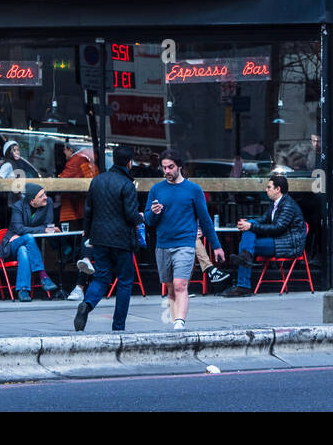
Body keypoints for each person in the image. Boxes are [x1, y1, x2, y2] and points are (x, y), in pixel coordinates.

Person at [145, 149, 225, 330]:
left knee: (180, 284)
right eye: (164, 168)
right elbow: (149, 220)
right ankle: (175, 322)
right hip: (163, 244)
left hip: (185, 244)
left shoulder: (193, 190)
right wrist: (154, 213)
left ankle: (180, 322)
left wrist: (216, 246)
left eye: (170, 167)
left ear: (179, 166)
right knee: (170, 287)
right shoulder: (156, 189)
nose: (167, 171)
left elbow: (205, 220)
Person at [75, 144, 144, 332]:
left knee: (101, 278)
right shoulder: (127, 184)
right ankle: (118, 326)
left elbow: (88, 210)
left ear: (113, 160)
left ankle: (87, 304)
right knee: (124, 282)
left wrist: (88, 234)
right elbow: (131, 215)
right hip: (122, 240)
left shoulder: (97, 180)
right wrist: (142, 217)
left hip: (99, 238)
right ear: (129, 163)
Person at [222, 174, 306, 297]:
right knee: (249, 231)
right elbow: (264, 219)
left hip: (288, 244)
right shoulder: (275, 203)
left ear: (278, 189)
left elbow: (278, 228)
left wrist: (251, 226)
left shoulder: (288, 205)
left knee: (245, 245)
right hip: (277, 240)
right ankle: (244, 269)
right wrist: (248, 222)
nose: (266, 190)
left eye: (269, 187)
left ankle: (243, 285)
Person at [4, 182, 61, 301]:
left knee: (24, 251)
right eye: (41, 196)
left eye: (44, 193)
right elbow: (19, 229)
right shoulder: (18, 207)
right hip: (11, 244)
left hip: (28, 246)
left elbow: (48, 225)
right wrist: (39, 230)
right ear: (32, 201)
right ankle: (43, 275)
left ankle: (23, 291)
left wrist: (27, 233)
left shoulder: (48, 202)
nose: (45, 197)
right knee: (28, 238)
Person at [58, 141, 98, 300]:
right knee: (85, 240)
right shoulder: (88, 162)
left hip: (77, 210)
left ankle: (79, 283)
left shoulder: (75, 161)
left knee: (81, 241)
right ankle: (80, 281)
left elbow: (63, 180)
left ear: (70, 149)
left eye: (64, 150)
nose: (64, 154)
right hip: (87, 214)